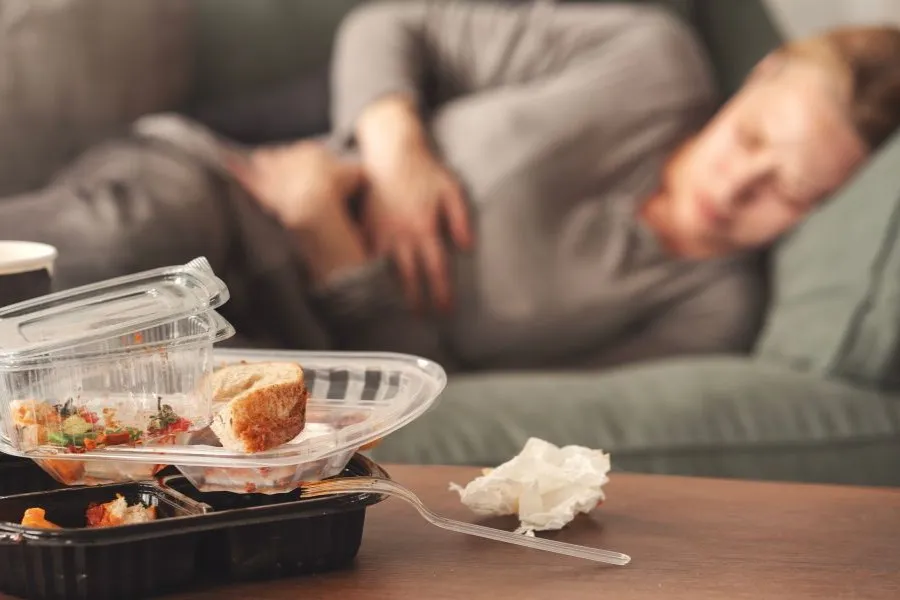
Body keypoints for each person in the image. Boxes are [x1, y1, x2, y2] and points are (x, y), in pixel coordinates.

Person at [3, 2, 900, 371]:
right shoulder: (645, 61)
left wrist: (334, 244)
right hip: (234, 190)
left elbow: (445, 384)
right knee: (128, 245)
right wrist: (394, 145)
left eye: (790, 191)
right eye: (751, 139)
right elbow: (394, 22)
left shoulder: (709, 311)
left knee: (128, 363)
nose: (737, 186)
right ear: (760, 76)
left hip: (304, 343)